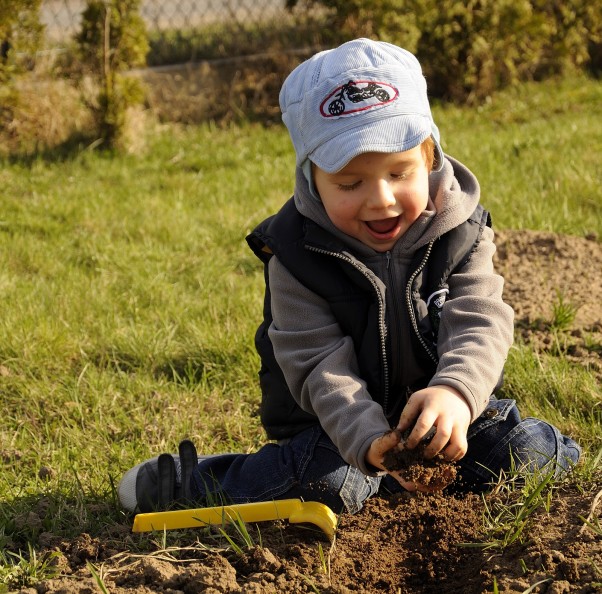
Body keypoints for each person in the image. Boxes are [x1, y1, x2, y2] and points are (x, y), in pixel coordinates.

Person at [118, 38, 581, 515]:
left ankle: (475, 454)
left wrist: (456, 394)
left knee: (525, 453)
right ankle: (198, 482)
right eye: (349, 183)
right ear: (311, 182)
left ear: (430, 159)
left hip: (445, 420)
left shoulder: (460, 232)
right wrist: (368, 437)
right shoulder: (297, 257)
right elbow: (318, 361)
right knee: (330, 485)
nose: (380, 199)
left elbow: (480, 320)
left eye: (400, 172)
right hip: (334, 433)